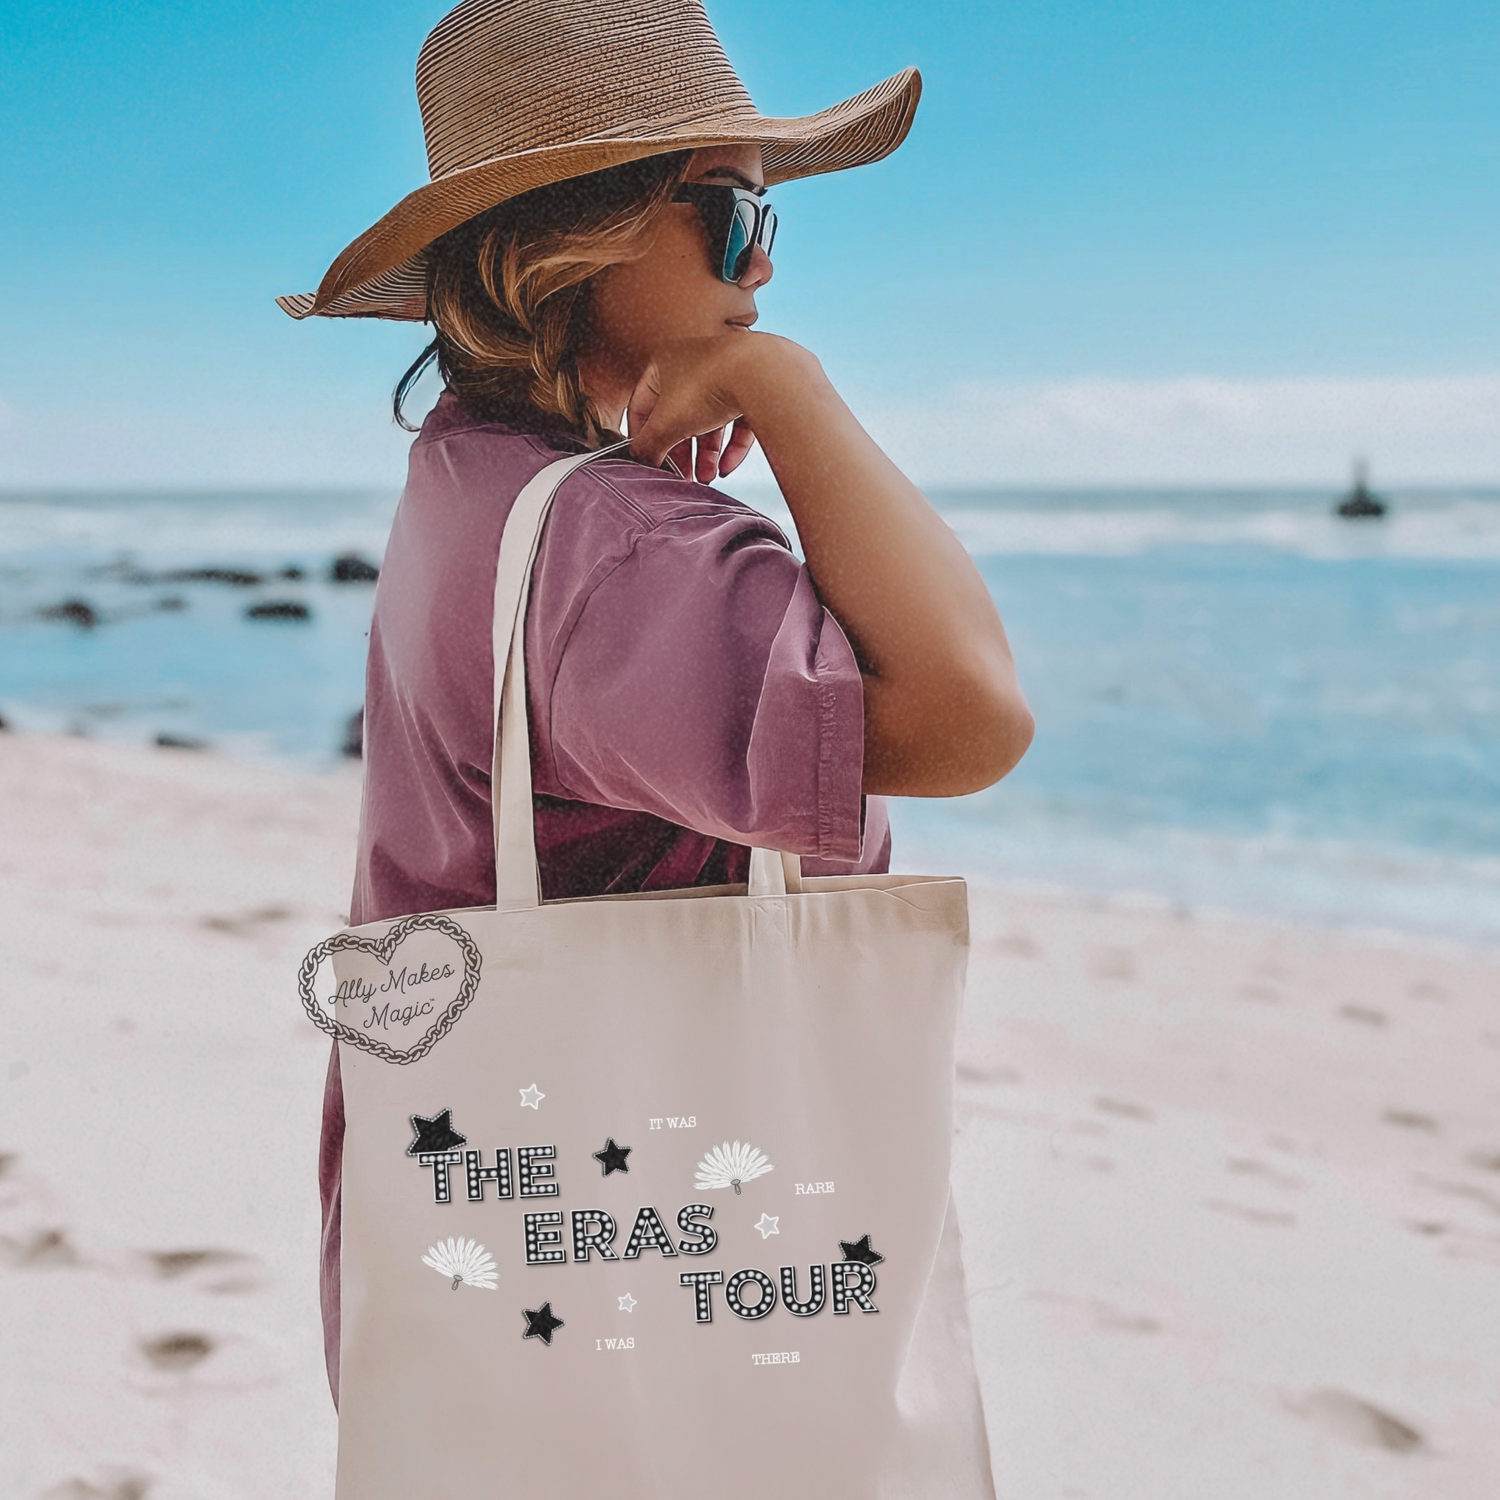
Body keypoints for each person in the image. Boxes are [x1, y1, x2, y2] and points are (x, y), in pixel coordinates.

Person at [281, 0, 1033, 1409]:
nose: (765, 268)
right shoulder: (620, 549)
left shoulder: (476, 480)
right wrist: (787, 389)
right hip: (664, 1291)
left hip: (490, 1243)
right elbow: (971, 715)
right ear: (582, 233)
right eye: (736, 216)